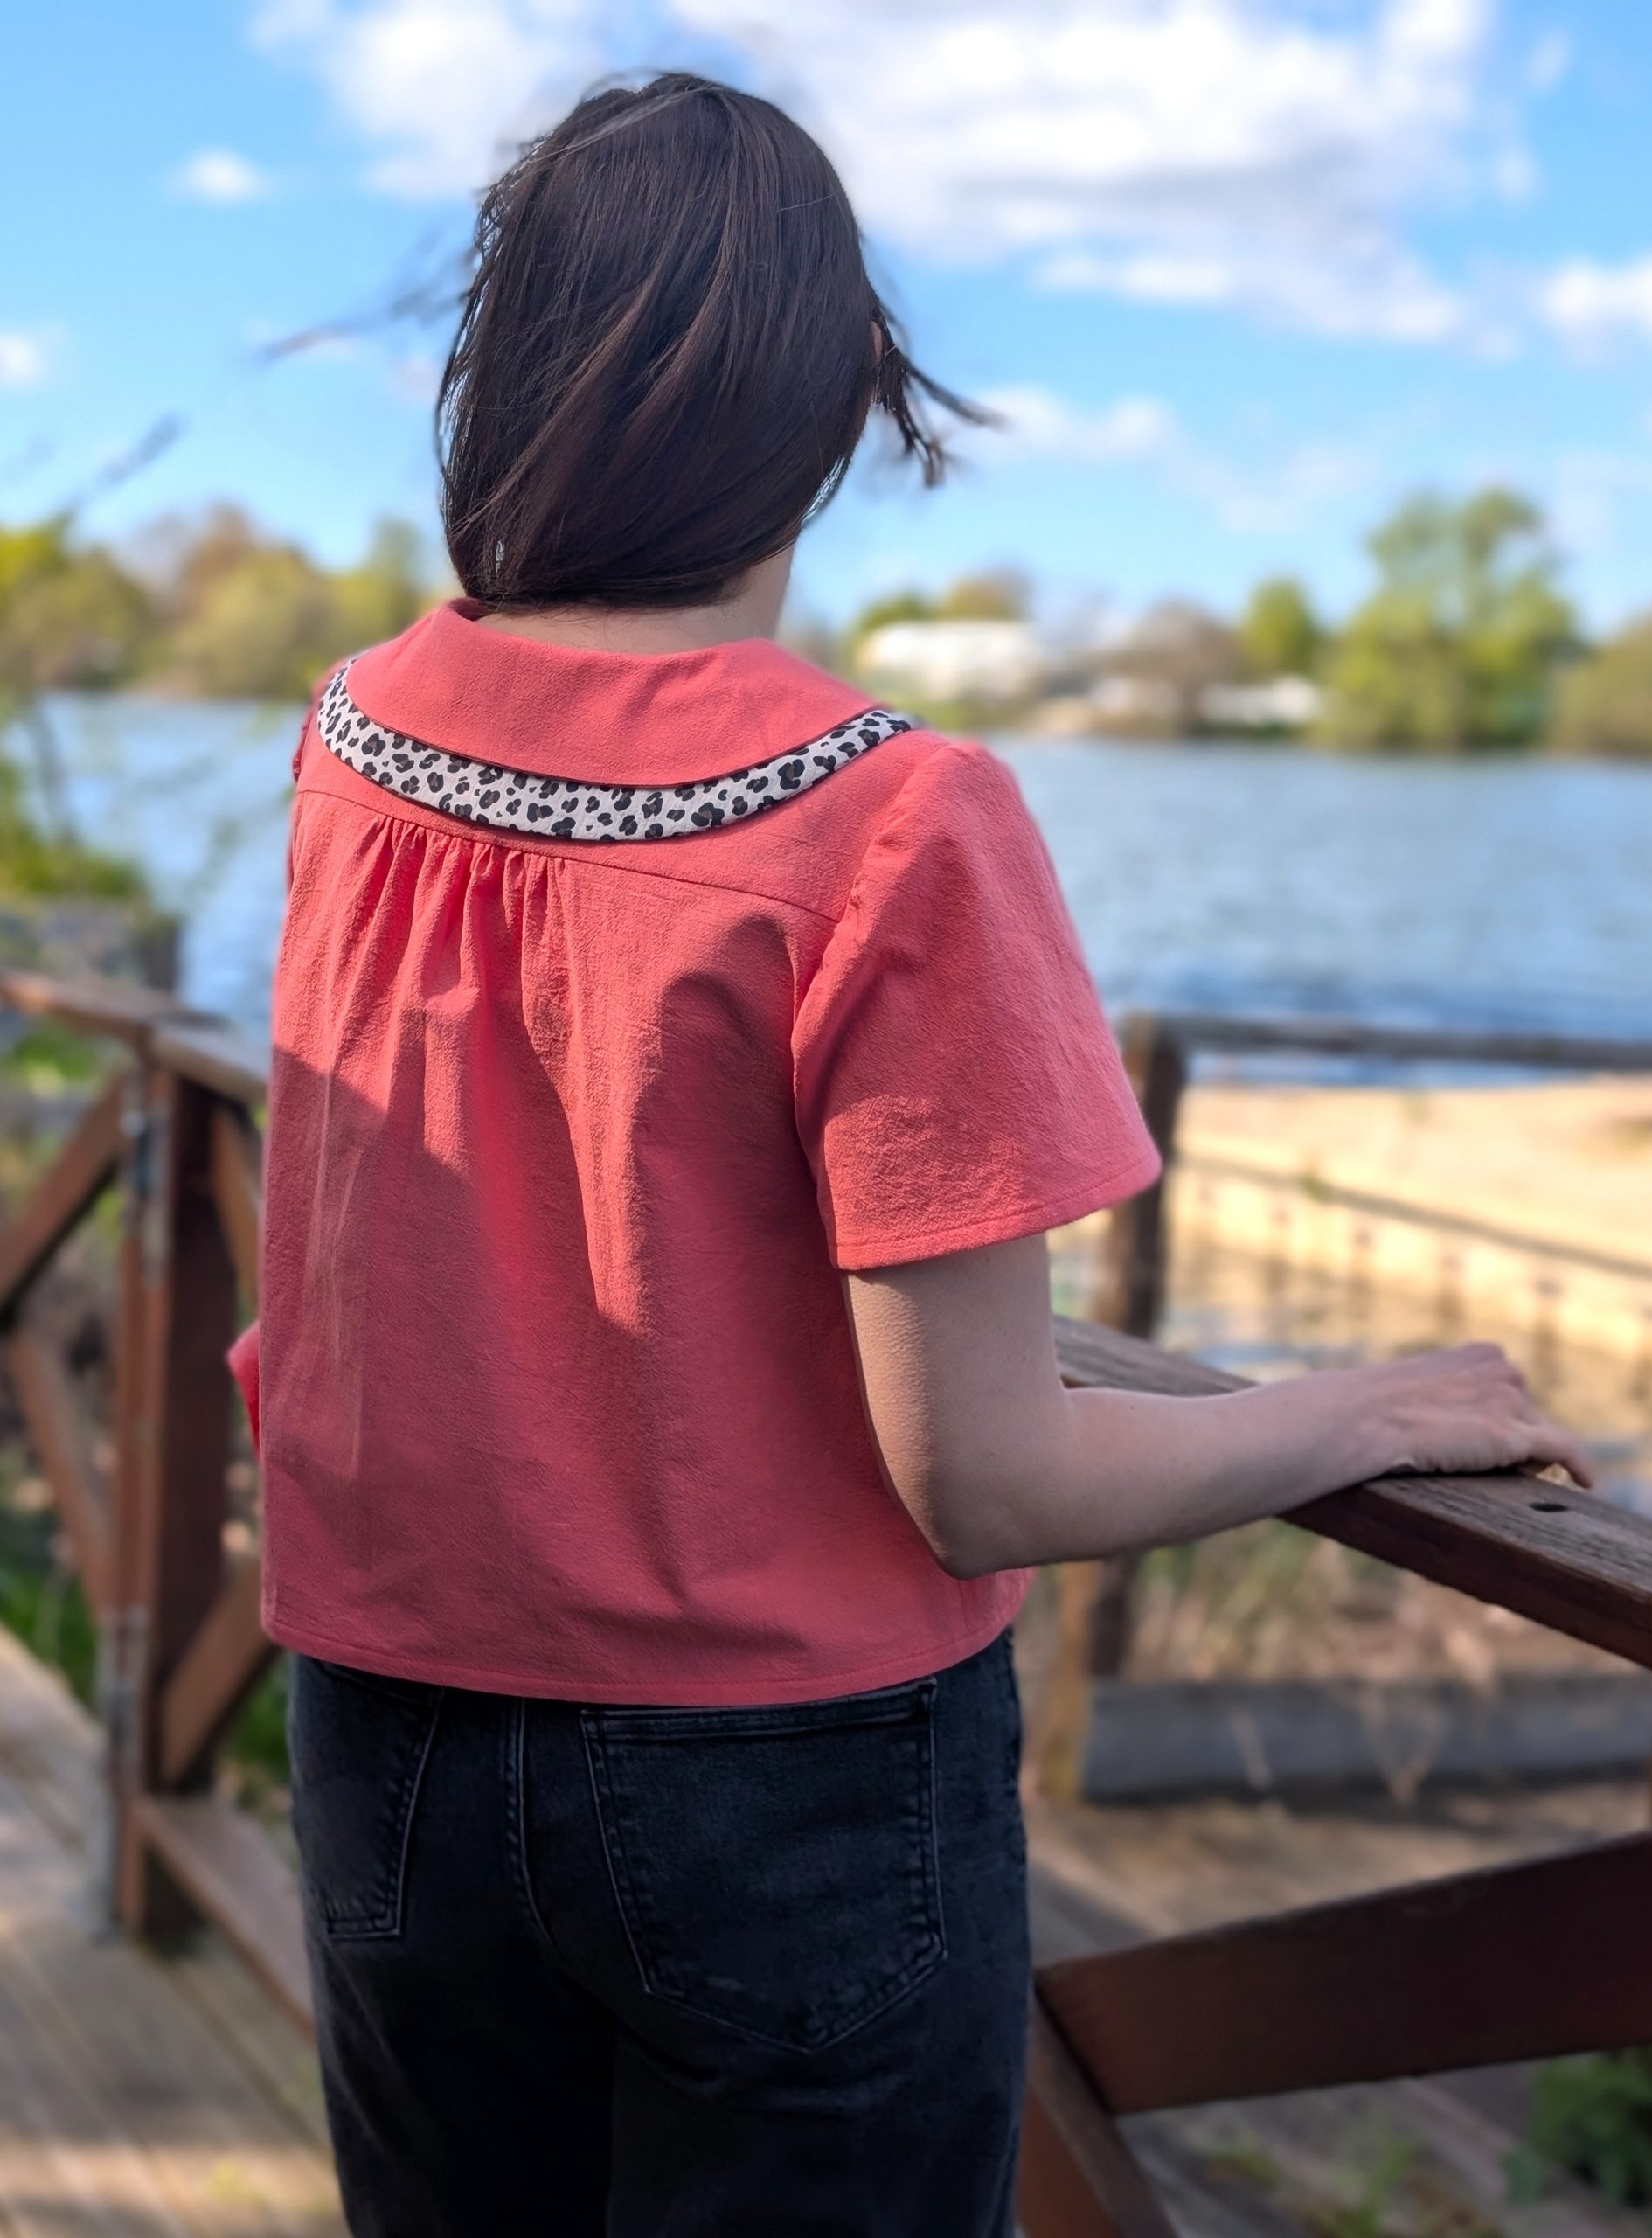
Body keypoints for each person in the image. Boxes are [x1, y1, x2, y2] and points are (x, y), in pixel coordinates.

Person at [238, 71, 1591, 2238]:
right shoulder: (889, 816)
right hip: (779, 1786)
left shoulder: (352, 739)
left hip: (387, 1727)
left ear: (503, 379)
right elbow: (990, 1474)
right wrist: (1361, 1412)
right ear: (828, 403)